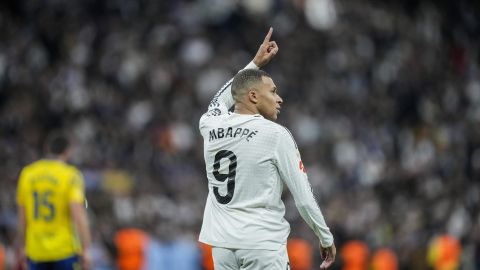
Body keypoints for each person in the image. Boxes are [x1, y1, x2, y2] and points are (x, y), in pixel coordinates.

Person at [198, 27, 336, 269]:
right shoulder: (275, 134)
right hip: (262, 245)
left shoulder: (210, 124)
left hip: (221, 248)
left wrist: (253, 64)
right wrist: (325, 237)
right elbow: (303, 197)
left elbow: (222, 98)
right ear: (253, 96)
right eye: (273, 92)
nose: (279, 98)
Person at [16, 132, 91, 270]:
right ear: (67, 151)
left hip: (36, 251)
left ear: (47, 149)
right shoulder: (71, 175)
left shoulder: (27, 174)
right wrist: (86, 248)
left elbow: (22, 217)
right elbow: (78, 214)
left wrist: (21, 247)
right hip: (64, 250)